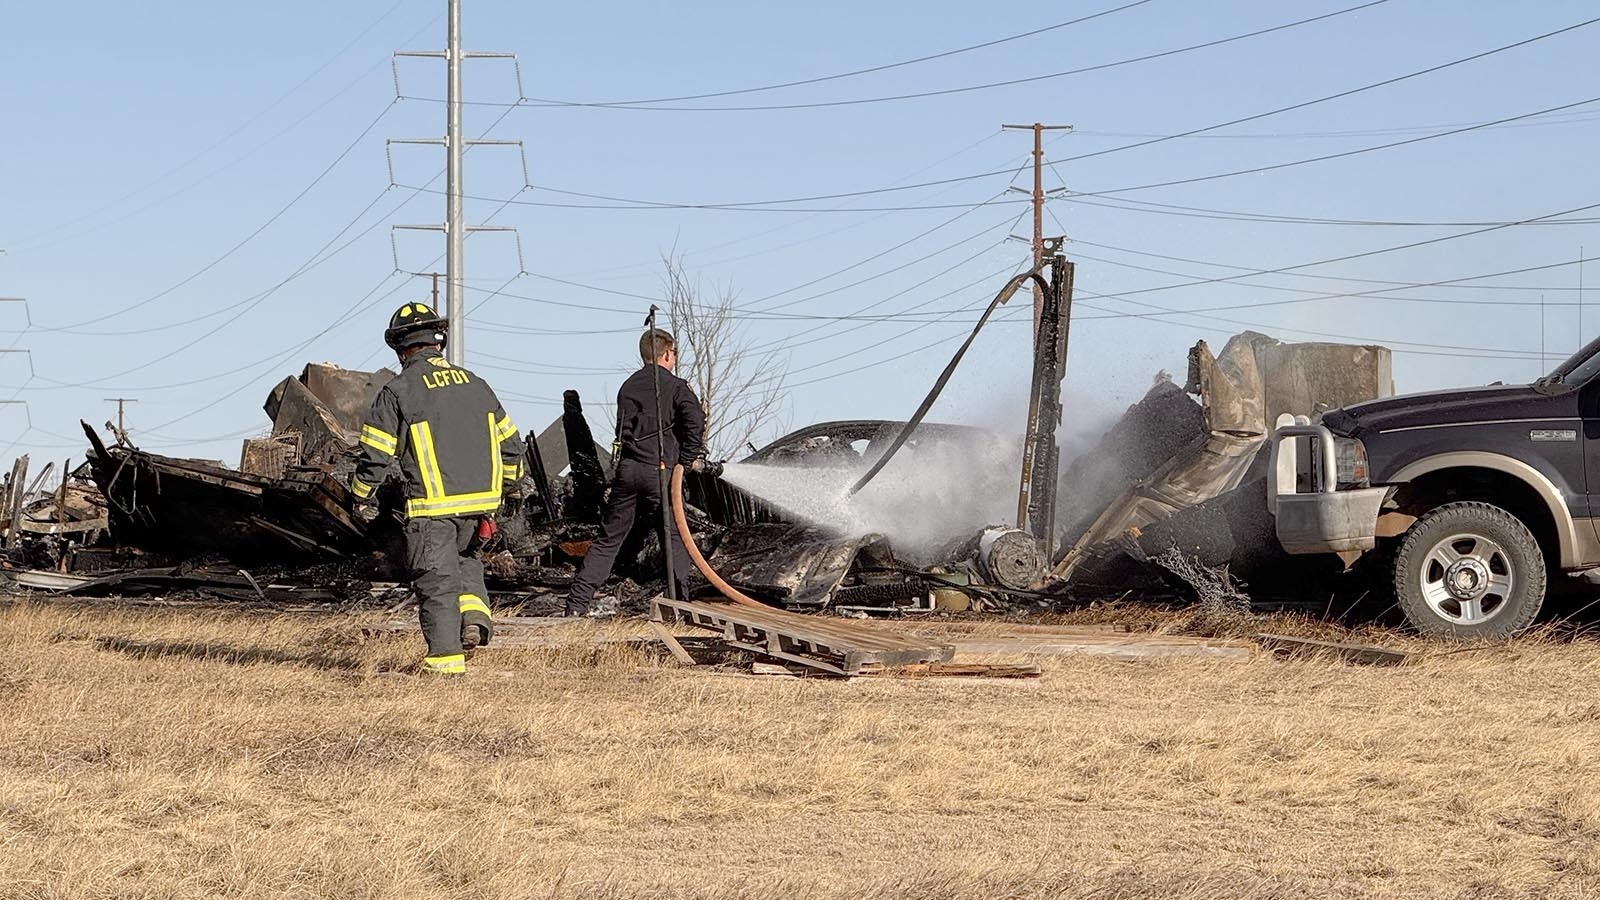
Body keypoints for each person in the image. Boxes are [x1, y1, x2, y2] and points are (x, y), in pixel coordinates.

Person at [351, 302, 524, 675]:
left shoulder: (398, 391)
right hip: (478, 508)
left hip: (432, 510)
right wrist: (507, 490)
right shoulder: (477, 385)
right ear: (437, 342)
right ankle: (475, 620)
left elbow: (376, 456)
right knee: (466, 563)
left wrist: (360, 495)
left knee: (437, 581)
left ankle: (445, 667)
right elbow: (511, 447)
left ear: (400, 348)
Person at [567, 328, 708, 616]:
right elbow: (696, 421)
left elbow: (623, 430)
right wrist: (686, 460)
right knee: (674, 536)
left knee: (609, 539)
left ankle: (576, 605)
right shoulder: (677, 387)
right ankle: (680, 606)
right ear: (667, 354)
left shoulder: (627, 387)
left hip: (628, 471)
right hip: (661, 473)